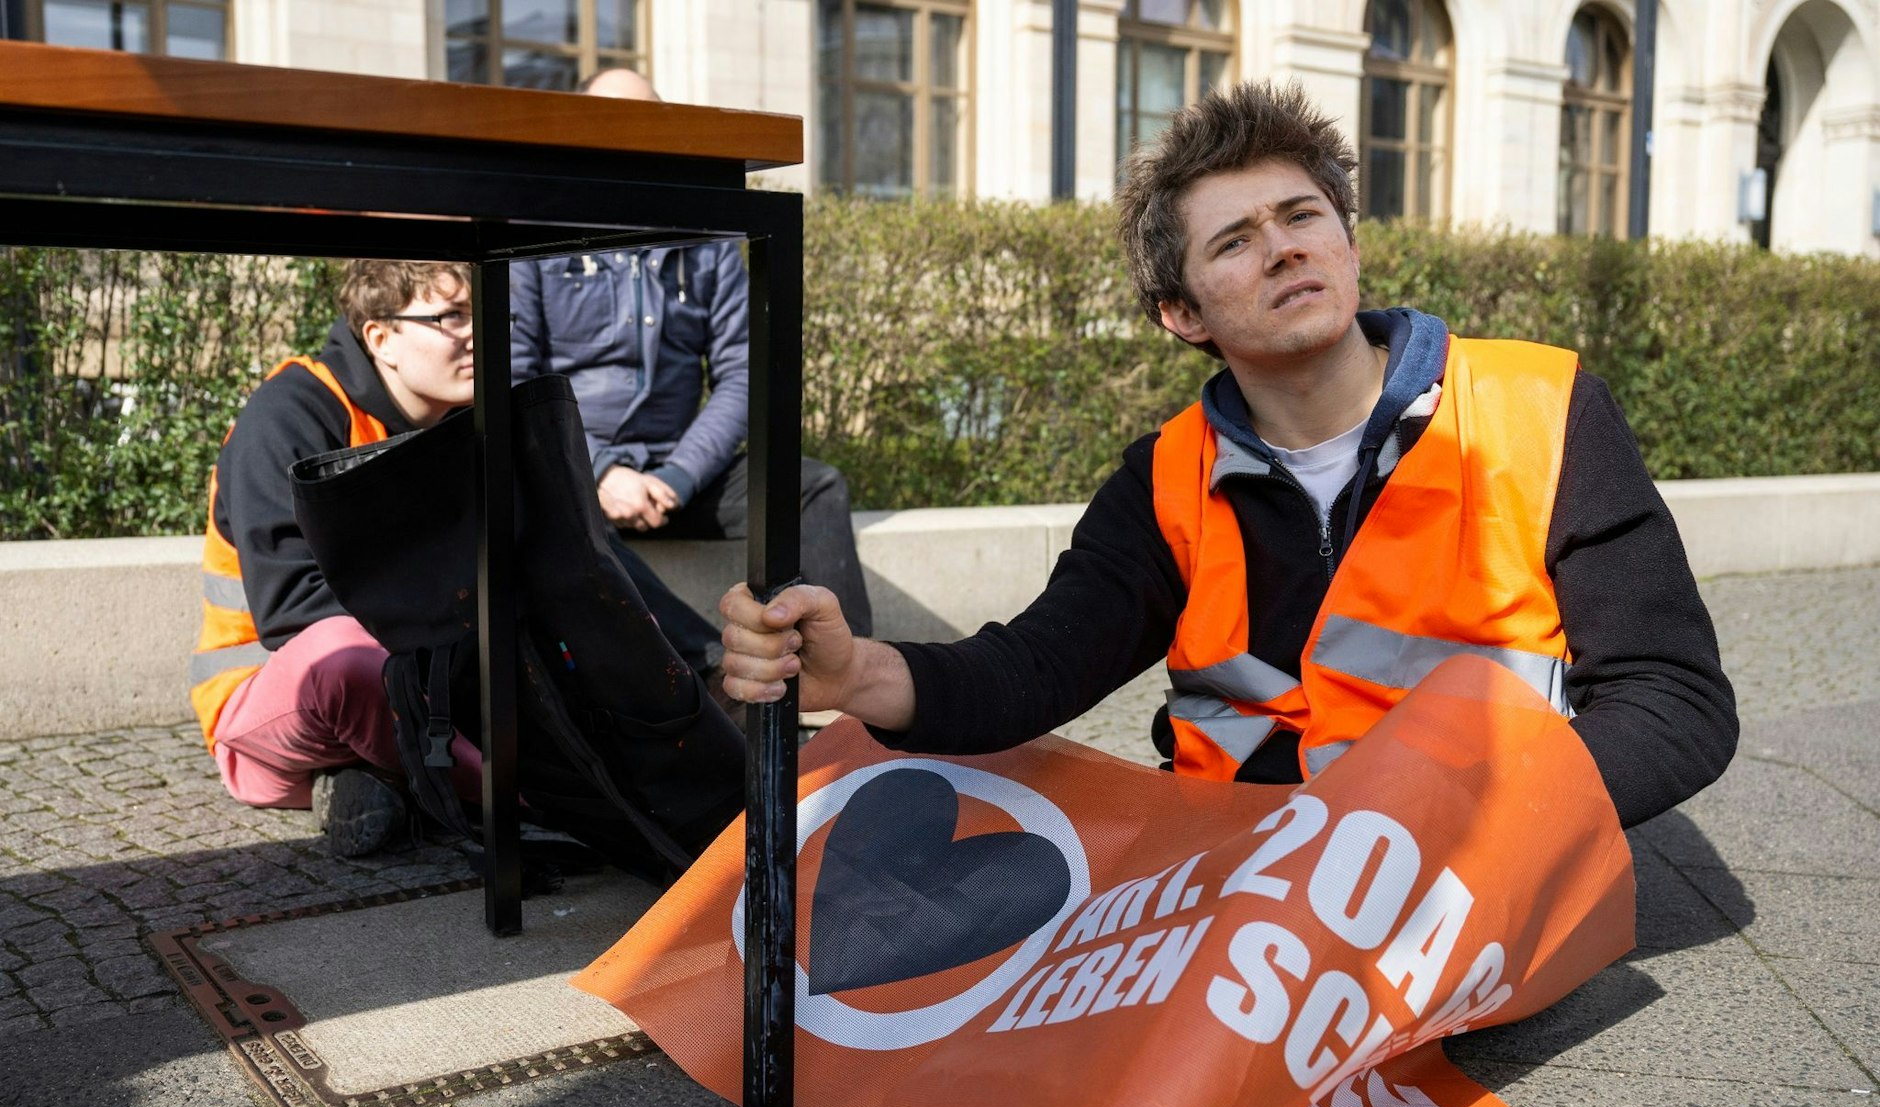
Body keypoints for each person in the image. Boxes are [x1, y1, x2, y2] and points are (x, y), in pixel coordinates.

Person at [717, 80, 1737, 829]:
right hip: (1238, 873)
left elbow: (1673, 700)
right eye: (1234, 241)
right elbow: (1029, 670)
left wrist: (1477, 830)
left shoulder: (1541, 409)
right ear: (1180, 313)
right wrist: (857, 672)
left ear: (1347, 244)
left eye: (1302, 216)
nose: (1284, 246)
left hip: (1480, 866)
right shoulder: (1162, 478)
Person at [509, 66, 876, 687]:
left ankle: (846, 683)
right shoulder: (535, 236)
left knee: (812, 488)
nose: (629, 142)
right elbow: (515, 377)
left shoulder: (705, 241)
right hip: (571, 471)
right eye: (609, 125)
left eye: (645, 124)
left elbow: (742, 375)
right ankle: (711, 679)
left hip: (683, 472)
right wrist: (596, 470)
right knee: (536, 514)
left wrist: (677, 475)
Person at [189, 259, 484, 855]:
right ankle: (529, 791)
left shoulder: (469, 421)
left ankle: (377, 781)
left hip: (422, 683)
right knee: (345, 659)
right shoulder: (289, 413)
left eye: (482, 312)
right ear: (381, 338)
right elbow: (293, 608)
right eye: (453, 316)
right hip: (266, 700)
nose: (478, 332)